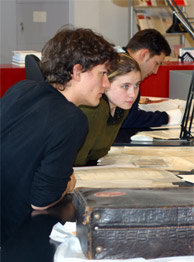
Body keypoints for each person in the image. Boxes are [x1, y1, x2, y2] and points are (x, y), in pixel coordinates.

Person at [0, 26, 119, 244]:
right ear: (77, 71)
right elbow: (41, 200)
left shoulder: (22, 89)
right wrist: (70, 183)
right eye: (103, 73)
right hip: (14, 238)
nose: (107, 84)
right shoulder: (72, 119)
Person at [74, 53, 141, 166]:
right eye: (125, 86)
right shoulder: (95, 110)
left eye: (137, 85)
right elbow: (76, 163)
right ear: (105, 83)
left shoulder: (120, 108)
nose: (132, 94)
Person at [121, 29, 182, 129]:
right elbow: (127, 118)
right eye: (156, 63)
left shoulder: (122, 61)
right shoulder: (122, 69)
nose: (155, 71)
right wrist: (168, 117)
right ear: (144, 55)